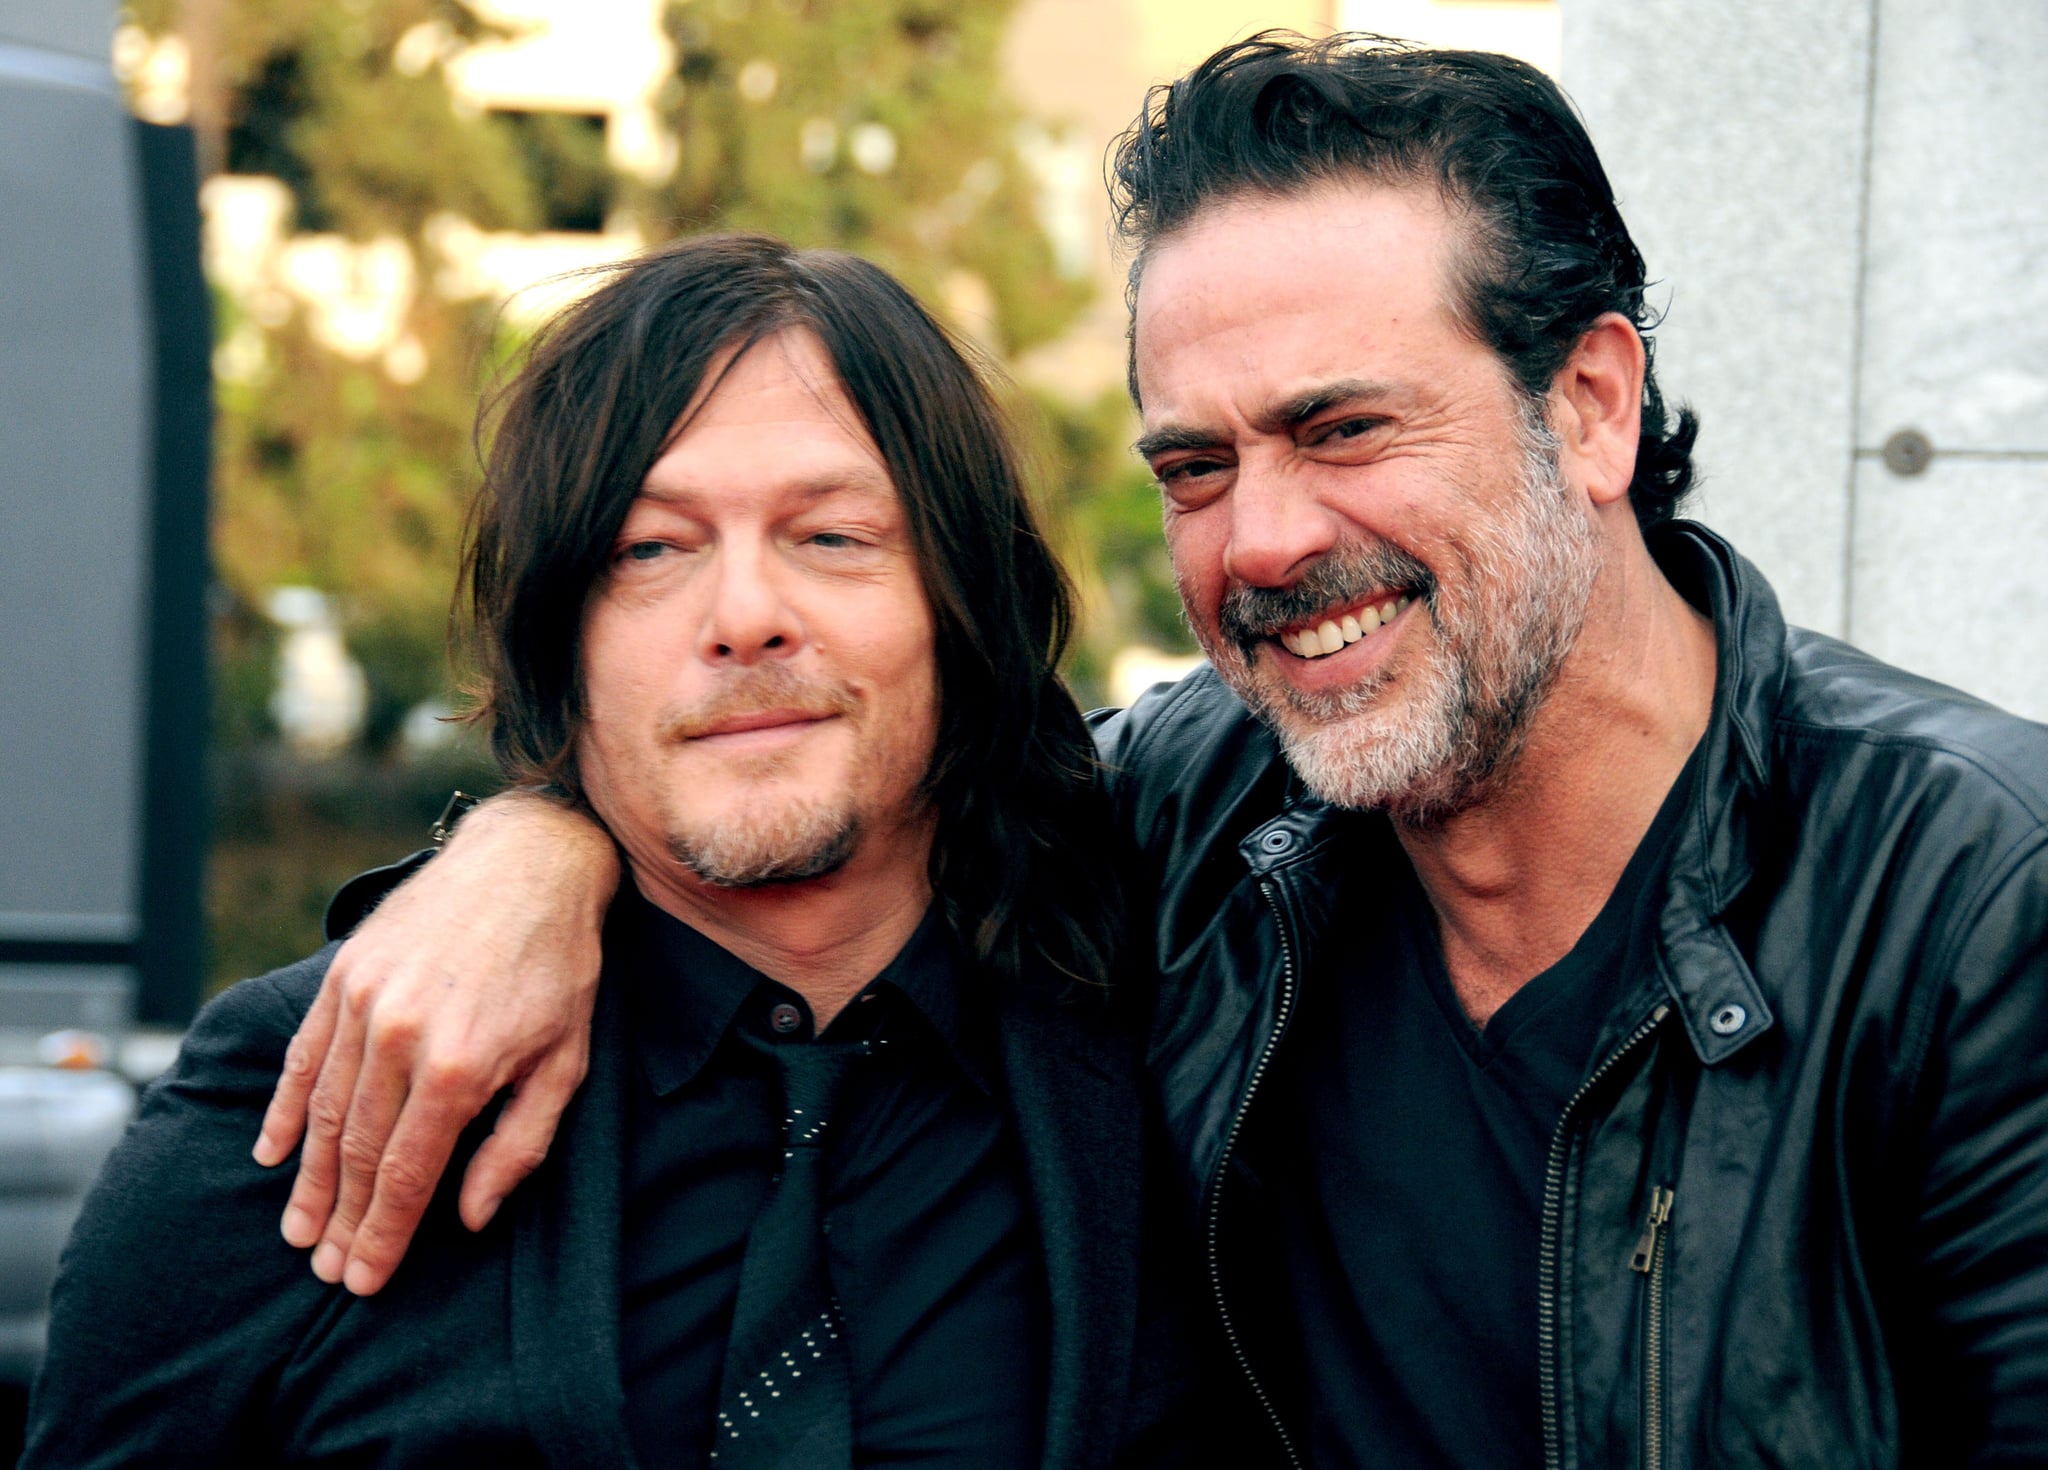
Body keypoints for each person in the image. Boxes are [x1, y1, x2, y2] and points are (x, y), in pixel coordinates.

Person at [250, 34, 2048, 1469]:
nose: (1257, 543)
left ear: (1585, 403)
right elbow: (815, 779)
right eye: (1193, 466)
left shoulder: (1968, 905)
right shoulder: (1199, 818)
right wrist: (529, 847)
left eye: (1339, 428)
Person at [23, 234, 1204, 1468]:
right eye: (650, 549)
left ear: (967, 605)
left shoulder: (1176, 1017)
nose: (744, 617)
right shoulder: (309, 1089)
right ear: (557, 638)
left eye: (832, 536)